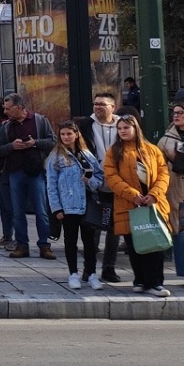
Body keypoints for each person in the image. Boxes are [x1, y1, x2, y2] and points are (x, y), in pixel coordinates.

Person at [105, 114, 172, 297]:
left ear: (136, 128)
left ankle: (155, 283)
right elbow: (111, 178)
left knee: (155, 245)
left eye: (126, 128)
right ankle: (140, 280)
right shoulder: (114, 152)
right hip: (129, 205)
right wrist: (133, 195)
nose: (123, 131)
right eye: (120, 129)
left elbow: (163, 174)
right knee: (135, 246)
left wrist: (154, 194)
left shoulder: (152, 149)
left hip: (153, 205)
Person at [45, 120, 105, 291]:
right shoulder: (55, 157)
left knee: (89, 242)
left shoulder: (87, 155)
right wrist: (56, 208)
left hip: (87, 203)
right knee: (70, 241)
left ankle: (92, 273)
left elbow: (100, 178)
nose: (66, 137)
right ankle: (73, 273)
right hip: (68, 205)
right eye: (63, 134)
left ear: (76, 134)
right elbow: (51, 185)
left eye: (69, 134)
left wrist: (90, 181)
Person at [0, 93, 56, 260]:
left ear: (19, 108)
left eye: (8, 109)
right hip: (15, 172)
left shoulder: (39, 121)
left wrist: (34, 143)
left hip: (36, 172)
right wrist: (12, 146)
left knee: (41, 210)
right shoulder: (6, 126)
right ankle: (22, 245)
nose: (5, 112)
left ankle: (44, 245)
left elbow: (53, 142)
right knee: (17, 211)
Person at [77, 92, 122, 283]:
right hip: (94, 183)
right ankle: (89, 269)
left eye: (102, 104)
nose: (98, 107)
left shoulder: (123, 125)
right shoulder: (86, 125)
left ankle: (109, 268)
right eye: (96, 104)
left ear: (113, 106)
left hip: (118, 184)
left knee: (115, 228)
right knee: (92, 227)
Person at [158, 103, 184, 289]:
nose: (176, 116)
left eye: (180, 113)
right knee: (181, 232)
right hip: (178, 191)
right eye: (174, 113)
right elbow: (159, 166)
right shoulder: (166, 139)